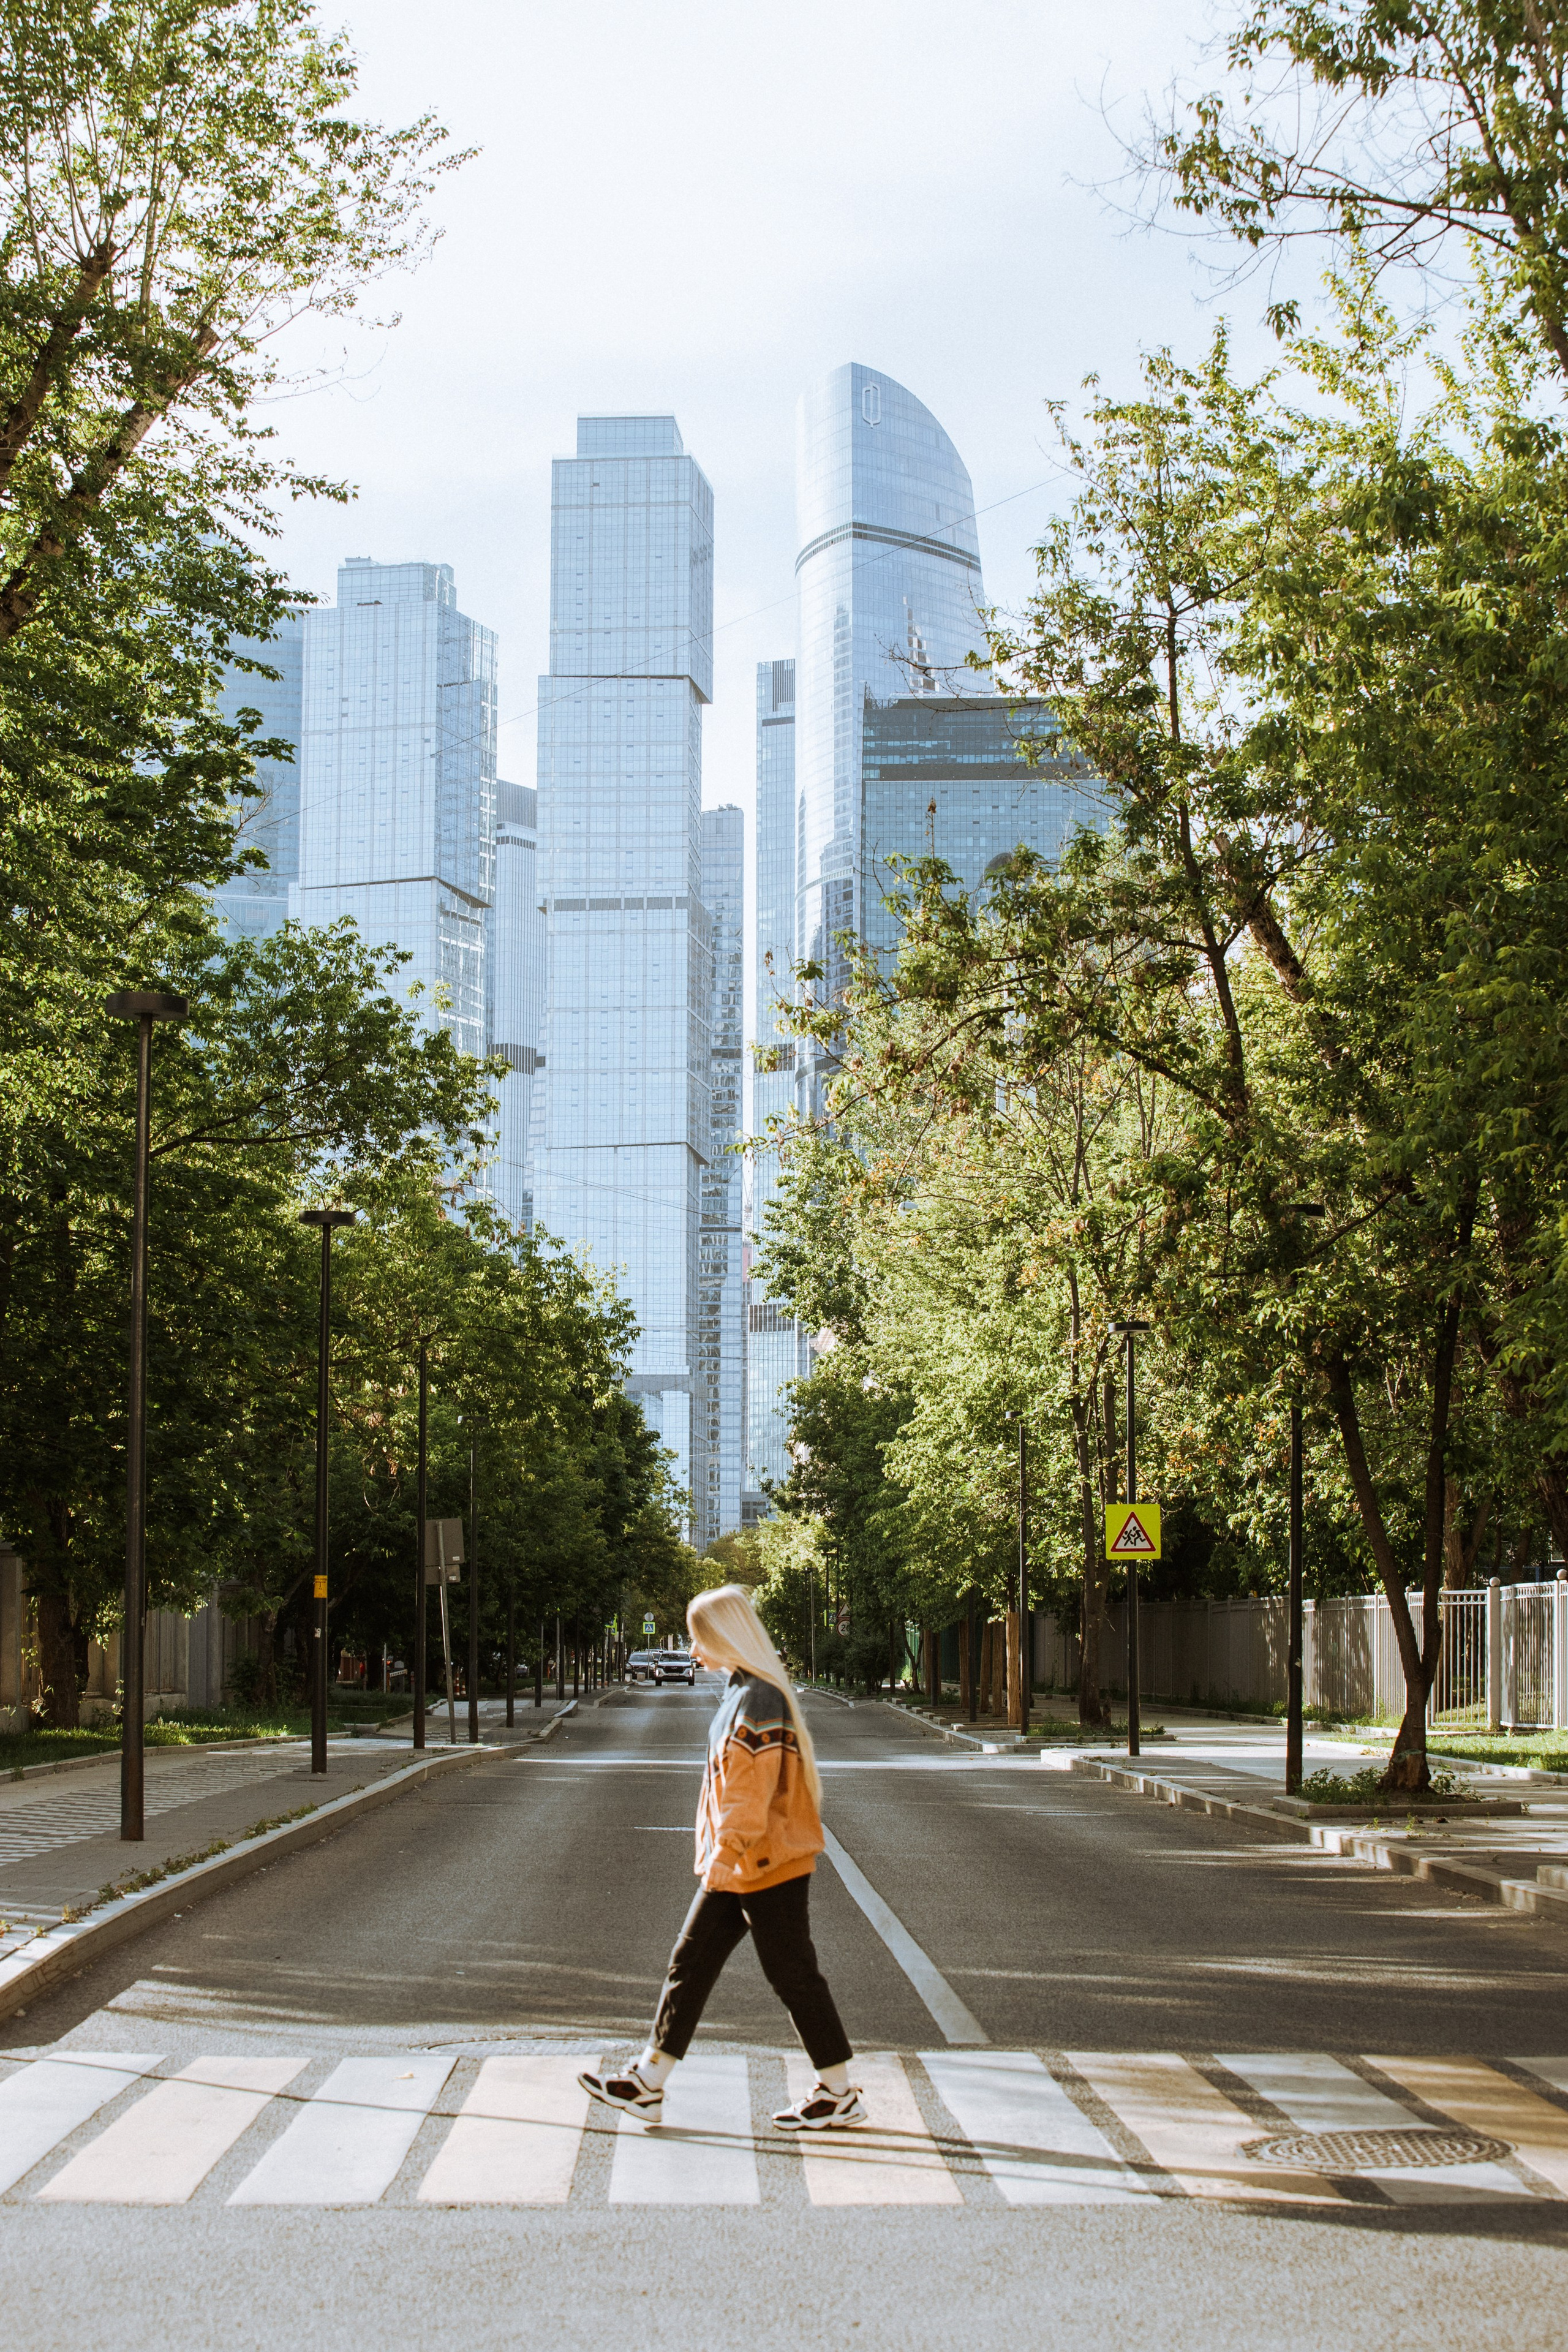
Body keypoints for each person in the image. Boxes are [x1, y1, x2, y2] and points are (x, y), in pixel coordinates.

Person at [579, 1583, 864, 2131]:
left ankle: (839, 2091)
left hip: (761, 1863)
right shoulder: (744, 1691)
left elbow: (748, 1794)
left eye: (697, 1638)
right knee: (694, 1963)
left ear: (723, 1635)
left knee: (791, 1975)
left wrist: (724, 1853)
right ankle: (649, 2082)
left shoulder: (758, 1699)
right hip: (749, 1863)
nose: (691, 1651)